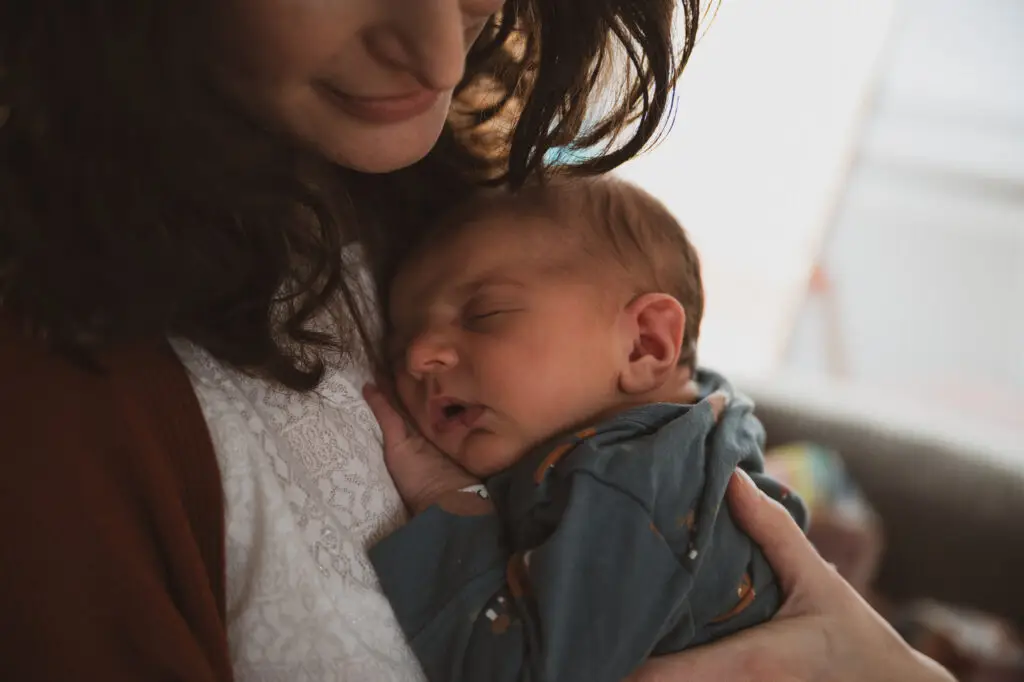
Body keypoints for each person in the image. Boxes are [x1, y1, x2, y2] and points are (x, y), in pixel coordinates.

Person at [0, 0, 953, 680]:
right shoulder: (63, 419)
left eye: (484, 317)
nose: (441, 57)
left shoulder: (449, 212)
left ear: (652, 342)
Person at [367, 177, 808, 682]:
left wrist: (442, 498)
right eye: (400, 345)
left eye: (484, 314)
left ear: (644, 344)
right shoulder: (684, 437)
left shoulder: (627, 484)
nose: (422, 357)